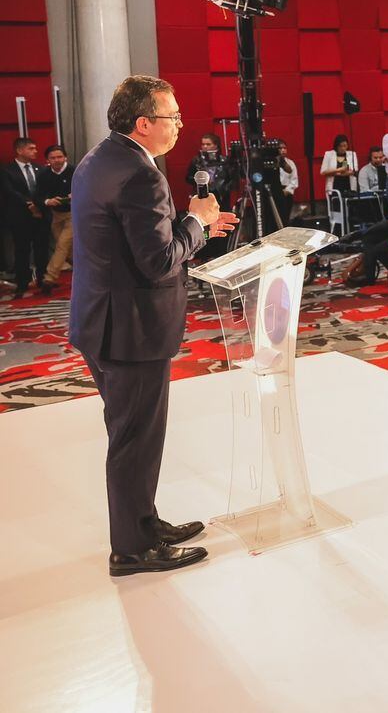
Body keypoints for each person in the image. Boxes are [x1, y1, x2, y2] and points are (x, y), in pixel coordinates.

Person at [69, 75, 237, 574]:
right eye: (173, 117)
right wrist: (198, 222)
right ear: (144, 123)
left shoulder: (97, 159)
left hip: (102, 320)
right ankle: (133, 548)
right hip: (131, 329)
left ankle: (143, 523)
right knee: (135, 439)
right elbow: (159, 261)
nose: (181, 125)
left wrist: (192, 223)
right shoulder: (143, 175)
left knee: (131, 434)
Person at [5, 137, 53, 297]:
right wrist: (29, 204)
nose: (35, 151)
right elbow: (10, 192)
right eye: (31, 148)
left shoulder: (41, 169)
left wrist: (39, 205)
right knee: (22, 250)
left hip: (40, 216)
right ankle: (22, 282)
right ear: (19, 150)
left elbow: (45, 190)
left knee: (42, 249)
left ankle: (41, 279)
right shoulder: (7, 170)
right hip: (20, 217)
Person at [39, 144, 75, 288]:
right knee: (67, 251)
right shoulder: (44, 174)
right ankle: (88, 272)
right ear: (48, 160)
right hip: (56, 215)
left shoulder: (75, 171)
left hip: (73, 214)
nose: (57, 160)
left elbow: (90, 188)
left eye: (59, 156)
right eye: (53, 158)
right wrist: (48, 201)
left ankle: (49, 278)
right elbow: (38, 195)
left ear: (65, 157)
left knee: (62, 245)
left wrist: (76, 194)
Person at [320, 134, 357, 202]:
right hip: (334, 186)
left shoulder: (352, 154)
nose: (343, 148)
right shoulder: (329, 154)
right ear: (336, 146)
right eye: (340, 146)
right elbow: (323, 172)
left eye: (345, 146)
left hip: (348, 185)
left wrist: (335, 173)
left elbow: (353, 171)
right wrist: (339, 170)